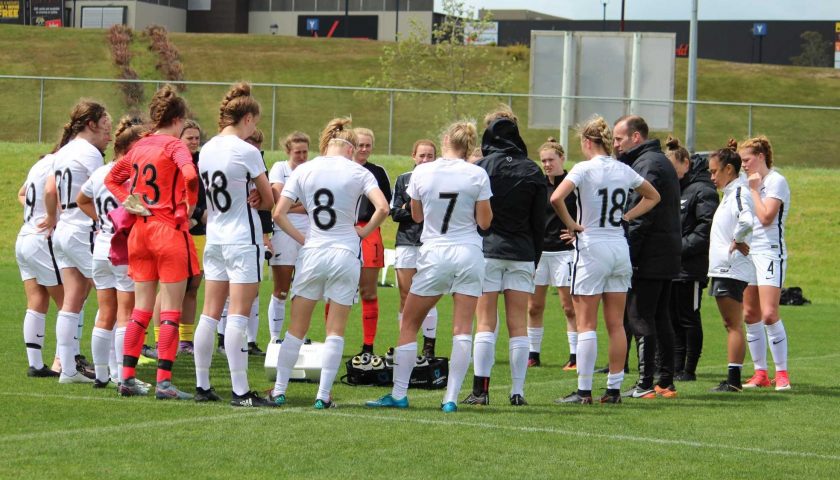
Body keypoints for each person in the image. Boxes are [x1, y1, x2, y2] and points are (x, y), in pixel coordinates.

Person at [366, 121, 492, 413]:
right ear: (469, 145)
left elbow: (417, 215)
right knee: (462, 328)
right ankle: (450, 398)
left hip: (435, 252)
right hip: (469, 252)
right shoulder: (477, 174)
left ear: (445, 139)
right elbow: (485, 222)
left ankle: (399, 393)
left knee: (409, 323)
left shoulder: (422, 171)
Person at [270, 118, 389, 409]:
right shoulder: (358, 171)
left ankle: (279, 390)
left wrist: (302, 238)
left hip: (314, 251)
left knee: (296, 327)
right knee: (335, 330)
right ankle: (323, 395)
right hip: (345, 252)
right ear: (350, 148)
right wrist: (363, 231)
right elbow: (383, 207)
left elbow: (278, 213)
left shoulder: (306, 169)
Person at [552, 115, 660, 405]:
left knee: (586, 323)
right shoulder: (623, 169)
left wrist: (572, 224)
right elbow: (653, 196)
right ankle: (613, 390)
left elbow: (556, 198)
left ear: (587, 142)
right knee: (615, 323)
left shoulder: (584, 169)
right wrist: (627, 216)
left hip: (592, 248)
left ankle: (584, 390)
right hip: (618, 247)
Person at [105, 84, 200, 400]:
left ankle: (127, 378)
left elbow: (111, 179)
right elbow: (189, 176)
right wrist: (187, 207)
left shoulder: (139, 146)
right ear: (179, 118)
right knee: (171, 310)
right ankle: (163, 383)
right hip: (167, 231)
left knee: (140, 309)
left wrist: (130, 202)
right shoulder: (175, 146)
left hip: (140, 233)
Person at [191, 83, 275, 407]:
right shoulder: (247, 150)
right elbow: (268, 199)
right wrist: (256, 195)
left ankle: (202, 385)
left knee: (210, 315)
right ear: (249, 118)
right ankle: (240, 391)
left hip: (216, 238)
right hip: (243, 238)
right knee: (238, 315)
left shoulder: (208, 149)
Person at [465, 105, 546, 407]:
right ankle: (517, 392)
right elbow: (540, 222)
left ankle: (481, 390)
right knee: (518, 324)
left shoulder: (482, 168)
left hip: (488, 249)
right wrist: (534, 257)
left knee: (486, 322)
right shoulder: (532, 170)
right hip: (523, 252)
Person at [613, 115, 682, 399]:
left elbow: (643, 214)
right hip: (666, 253)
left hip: (651, 253)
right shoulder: (658, 160)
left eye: (619, 139)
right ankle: (665, 380)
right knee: (660, 317)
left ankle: (644, 383)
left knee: (640, 316)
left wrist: (630, 253)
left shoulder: (647, 164)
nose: (615, 144)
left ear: (636, 137)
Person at [78, 117, 145, 389]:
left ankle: (103, 374)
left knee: (105, 312)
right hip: (122, 248)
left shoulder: (99, 173)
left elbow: (81, 199)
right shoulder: (132, 177)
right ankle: (122, 375)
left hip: (100, 246)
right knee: (125, 314)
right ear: (130, 149)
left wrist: (101, 221)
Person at [52, 100, 112, 384]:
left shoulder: (63, 151)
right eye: (104, 127)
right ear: (91, 124)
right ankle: (109, 368)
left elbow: (50, 189)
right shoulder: (90, 153)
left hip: (63, 226)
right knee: (109, 292)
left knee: (72, 299)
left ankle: (67, 368)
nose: (108, 135)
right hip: (82, 226)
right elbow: (101, 190)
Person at [663, 137, 718, 382]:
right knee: (673, 317)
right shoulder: (680, 187)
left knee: (688, 317)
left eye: (673, 168)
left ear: (685, 163)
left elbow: (705, 229)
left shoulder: (704, 189)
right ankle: (676, 366)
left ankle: (689, 369)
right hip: (674, 266)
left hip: (690, 267)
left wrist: (679, 248)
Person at [739, 135, 791, 391]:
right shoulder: (750, 182)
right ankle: (760, 372)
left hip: (770, 252)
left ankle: (782, 373)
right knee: (750, 314)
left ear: (761, 157)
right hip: (750, 252)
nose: (744, 165)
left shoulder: (775, 181)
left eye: (747, 160)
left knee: (769, 313)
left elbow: (767, 217)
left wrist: (754, 190)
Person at [706, 141, 753, 392]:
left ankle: (734, 381)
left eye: (715, 171)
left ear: (729, 170)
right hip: (724, 268)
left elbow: (747, 219)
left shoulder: (738, 192)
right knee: (730, 323)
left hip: (730, 268)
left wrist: (738, 240)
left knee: (733, 324)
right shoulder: (731, 191)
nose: (712, 176)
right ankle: (733, 378)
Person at [527, 138, 577, 370]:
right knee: (533, 307)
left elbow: (586, 212)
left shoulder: (572, 185)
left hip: (564, 253)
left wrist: (577, 233)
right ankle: (533, 354)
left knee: (569, 307)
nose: (547, 164)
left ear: (562, 159)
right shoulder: (537, 185)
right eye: (544, 160)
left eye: (551, 160)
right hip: (539, 254)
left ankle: (575, 356)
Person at [16, 150, 63, 378]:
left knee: (36, 300)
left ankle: (35, 365)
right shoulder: (61, 161)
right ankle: (64, 361)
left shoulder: (40, 163)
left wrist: (35, 212)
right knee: (70, 302)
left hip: (25, 235)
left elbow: (22, 194)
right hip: (44, 238)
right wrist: (52, 214)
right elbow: (50, 190)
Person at [390, 139, 439, 358]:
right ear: (413, 156)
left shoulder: (440, 180)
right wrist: (414, 209)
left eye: (430, 156)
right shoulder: (403, 180)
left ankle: (429, 346)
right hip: (407, 242)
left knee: (428, 295)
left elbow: (436, 211)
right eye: (422, 155)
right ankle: (405, 344)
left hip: (431, 243)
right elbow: (395, 213)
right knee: (405, 295)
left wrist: (408, 207)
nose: (425, 160)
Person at [266, 131, 310, 343]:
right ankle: (275, 338)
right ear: (288, 152)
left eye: (304, 152)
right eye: (297, 152)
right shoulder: (280, 168)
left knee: (304, 290)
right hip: (283, 233)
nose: (301, 156)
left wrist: (292, 206)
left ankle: (298, 335)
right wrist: (300, 205)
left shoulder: (312, 170)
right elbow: (279, 202)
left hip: (309, 235)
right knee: (282, 289)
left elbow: (313, 205)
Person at [352, 128, 392, 355]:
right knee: (338, 291)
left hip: (368, 233)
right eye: (360, 145)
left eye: (368, 145)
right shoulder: (340, 169)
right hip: (342, 233)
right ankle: (332, 342)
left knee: (368, 292)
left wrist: (367, 230)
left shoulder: (377, 172)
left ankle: (368, 346)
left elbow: (386, 206)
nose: (364, 149)